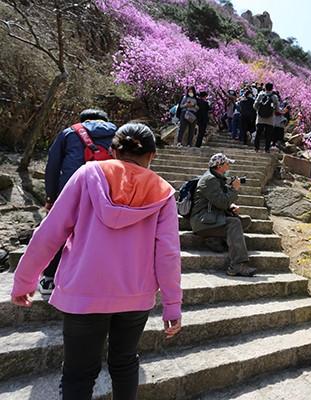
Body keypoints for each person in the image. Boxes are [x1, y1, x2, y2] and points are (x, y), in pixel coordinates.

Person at [11, 123, 183, 399]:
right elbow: (168, 254)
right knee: (125, 362)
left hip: (83, 292)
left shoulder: (88, 174)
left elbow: (50, 232)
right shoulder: (163, 192)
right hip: (135, 296)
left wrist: (24, 281)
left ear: (113, 150)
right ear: (153, 155)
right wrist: (172, 304)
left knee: (79, 373)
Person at [41, 108, 117, 300]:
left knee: (60, 232)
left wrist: (51, 196)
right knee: (98, 234)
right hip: (105, 195)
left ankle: (49, 278)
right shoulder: (119, 134)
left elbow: (53, 166)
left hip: (70, 190)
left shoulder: (70, 133)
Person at [190, 153, 256, 277]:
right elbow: (221, 202)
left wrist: (231, 206)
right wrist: (234, 190)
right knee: (234, 223)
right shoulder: (209, 180)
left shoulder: (216, 178)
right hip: (202, 221)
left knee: (244, 221)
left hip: (212, 217)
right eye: (227, 163)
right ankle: (236, 265)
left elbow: (218, 201)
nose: (229, 166)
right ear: (219, 166)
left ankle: (214, 240)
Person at [253, 82, 279, 153]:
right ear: (272, 88)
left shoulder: (261, 95)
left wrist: (258, 110)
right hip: (270, 119)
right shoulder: (274, 97)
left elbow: (255, 105)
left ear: (265, 87)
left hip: (260, 118)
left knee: (258, 133)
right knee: (268, 135)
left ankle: (256, 148)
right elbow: (277, 109)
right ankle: (267, 149)